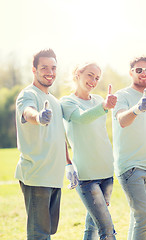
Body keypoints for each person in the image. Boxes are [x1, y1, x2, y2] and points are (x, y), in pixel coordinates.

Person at [15, 48, 77, 240]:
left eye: (53, 68)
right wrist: (39, 117)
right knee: (39, 234)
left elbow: (60, 135)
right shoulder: (28, 94)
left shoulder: (54, 102)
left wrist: (68, 164)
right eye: (44, 68)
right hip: (36, 174)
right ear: (34, 70)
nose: (50, 72)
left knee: (47, 232)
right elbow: (28, 112)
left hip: (54, 176)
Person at [60, 62, 117, 240]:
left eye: (97, 78)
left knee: (92, 227)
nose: (94, 81)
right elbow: (81, 118)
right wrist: (104, 107)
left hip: (107, 171)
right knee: (107, 230)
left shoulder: (100, 100)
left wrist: (104, 105)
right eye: (90, 75)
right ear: (78, 73)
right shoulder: (67, 102)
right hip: (86, 175)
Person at [112, 56, 146, 240]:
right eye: (138, 70)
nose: (143, 73)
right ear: (131, 73)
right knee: (144, 218)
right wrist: (137, 109)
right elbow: (122, 120)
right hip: (130, 167)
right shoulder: (122, 96)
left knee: (137, 219)